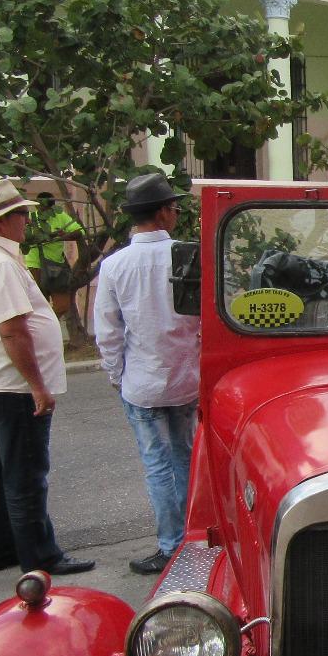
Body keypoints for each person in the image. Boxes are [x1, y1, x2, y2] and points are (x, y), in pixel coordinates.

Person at [0, 178, 94, 576]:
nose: (26, 222)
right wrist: (37, 387)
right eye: (21, 215)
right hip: (12, 385)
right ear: (1, 221)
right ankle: (41, 556)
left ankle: (0, 550)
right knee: (26, 474)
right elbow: (13, 331)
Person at [94, 172, 201, 576]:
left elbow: (107, 330)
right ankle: (194, 537)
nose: (176, 214)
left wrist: (118, 375)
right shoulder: (188, 255)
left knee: (157, 464)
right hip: (186, 379)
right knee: (186, 459)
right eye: (173, 208)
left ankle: (170, 545)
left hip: (142, 384)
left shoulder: (115, 265)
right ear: (161, 213)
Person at [22, 192, 84, 299]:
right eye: (43, 208)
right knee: (38, 303)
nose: (45, 211)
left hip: (56, 266)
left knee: (63, 305)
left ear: (53, 206)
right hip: (34, 266)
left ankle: (56, 317)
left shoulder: (60, 216)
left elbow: (80, 232)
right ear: (37, 206)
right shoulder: (30, 219)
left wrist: (64, 236)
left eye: (48, 208)